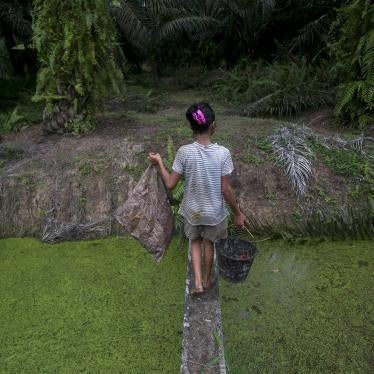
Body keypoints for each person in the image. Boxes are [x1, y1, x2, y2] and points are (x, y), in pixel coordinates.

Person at [148, 102, 247, 295]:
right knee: (209, 244)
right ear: (213, 125)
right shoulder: (223, 153)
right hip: (214, 214)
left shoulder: (184, 152)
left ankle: (198, 283)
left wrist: (159, 162)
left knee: (195, 242)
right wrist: (237, 213)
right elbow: (225, 190)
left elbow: (170, 184)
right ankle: (208, 280)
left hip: (193, 211)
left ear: (190, 127)